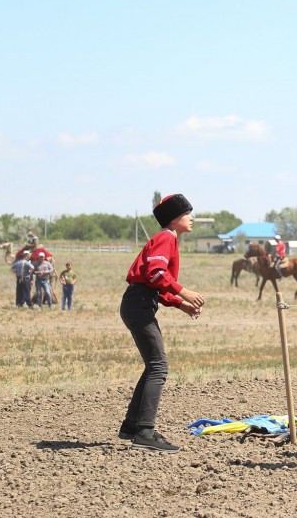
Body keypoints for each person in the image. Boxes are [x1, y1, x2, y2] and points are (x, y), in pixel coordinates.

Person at [118, 193, 206, 453]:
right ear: (176, 218)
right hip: (139, 304)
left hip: (139, 302)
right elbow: (156, 274)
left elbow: (155, 283)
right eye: (188, 214)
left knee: (152, 366)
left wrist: (180, 304)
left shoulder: (168, 238)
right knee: (158, 366)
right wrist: (184, 292)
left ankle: (131, 426)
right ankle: (145, 432)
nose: (192, 219)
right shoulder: (166, 237)